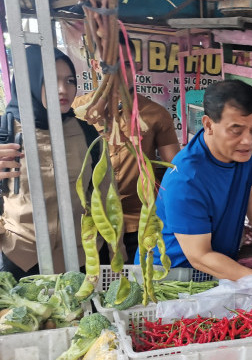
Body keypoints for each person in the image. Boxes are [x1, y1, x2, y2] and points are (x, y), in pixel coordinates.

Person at [144, 79, 252, 284]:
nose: (247, 140)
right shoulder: (186, 179)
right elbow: (200, 257)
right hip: (172, 277)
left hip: (218, 269)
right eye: (236, 130)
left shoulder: (244, 151)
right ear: (208, 125)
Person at [73, 32, 180, 263]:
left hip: (137, 223)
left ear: (138, 67)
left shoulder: (156, 114)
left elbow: (176, 168)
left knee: (136, 284)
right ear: (95, 66)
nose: (118, 74)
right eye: (108, 66)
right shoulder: (78, 112)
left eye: (127, 66)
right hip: (90, 221)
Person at [0, 46, 99, 279]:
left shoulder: (86, 133)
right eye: (50, 80)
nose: (63, 90)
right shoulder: (5, 132)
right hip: (20, 257)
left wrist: (114, 248)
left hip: (79, 257)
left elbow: (102, 194)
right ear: (29, 82)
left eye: (70, 80)